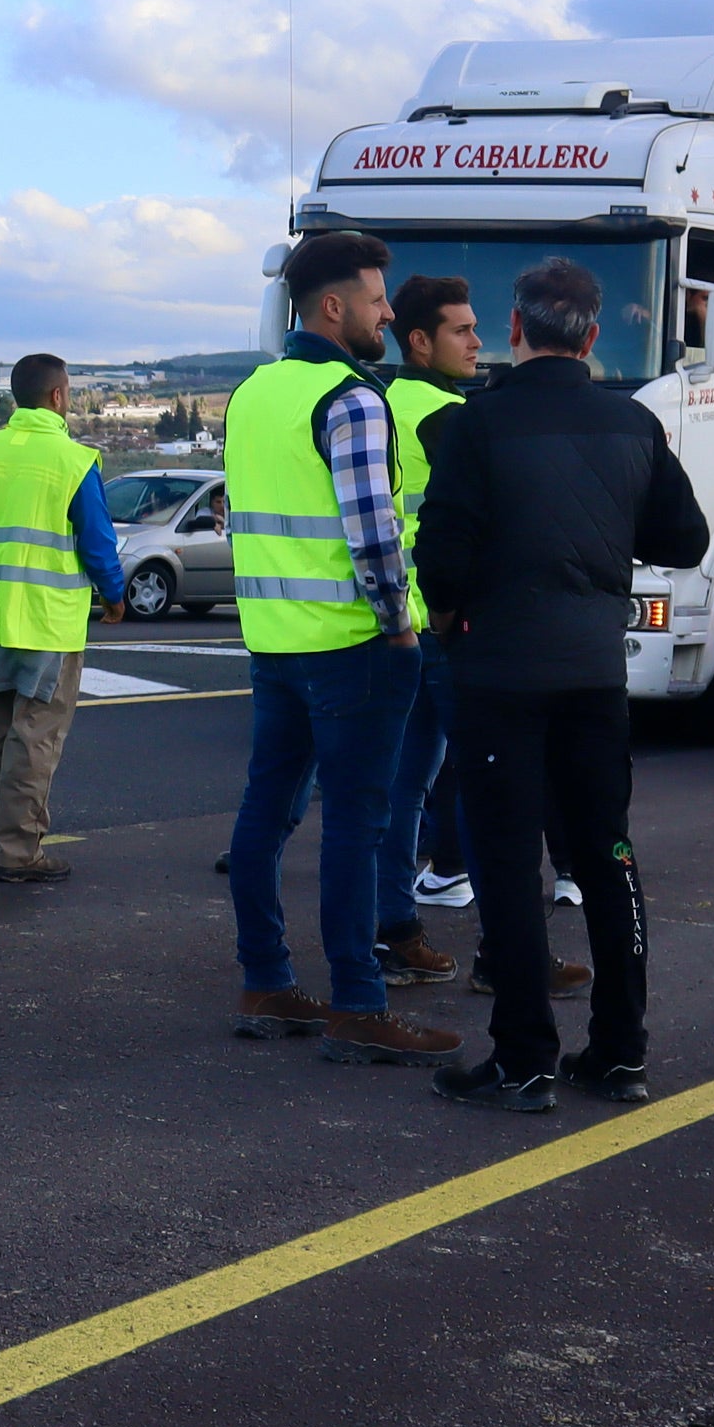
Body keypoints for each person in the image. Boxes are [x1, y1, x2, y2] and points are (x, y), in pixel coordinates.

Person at [413, 257, 709, 1112]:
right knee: (607, 854)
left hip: (501, 671)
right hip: (592, 672)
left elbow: (442, 555)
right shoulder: (632, 426)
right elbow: (685, 538)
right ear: (591, 335)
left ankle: (524, 1059)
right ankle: (621, 1052)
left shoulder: (477, 424)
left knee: (507, 866)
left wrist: (453, 610)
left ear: (515, 328)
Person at [221, 232, 444, 1055]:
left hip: (273, 641)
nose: (390, 311)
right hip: (353, 647)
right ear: (333, 306)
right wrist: (400, 624)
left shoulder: (252, 395)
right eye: (378, 298)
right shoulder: (352, 397)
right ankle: (358, 1001)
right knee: (359, 821)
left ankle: (267, 982)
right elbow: (374, 534)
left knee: (266, 811)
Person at [0, 353, 126, 882]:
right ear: (57, 397)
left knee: (3, 734)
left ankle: (6, 836)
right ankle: (20, 852)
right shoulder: (73, 461)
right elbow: (97, 543)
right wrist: (113, 595)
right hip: (48, 624)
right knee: (36, 738)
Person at [381, 277, 477, 981]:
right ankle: (505, 953)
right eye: (462, 331)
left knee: (403, 787)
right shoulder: (445, 415)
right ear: (420, 341)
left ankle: (395, 928)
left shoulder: (380, 402)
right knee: (485, 776)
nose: (479, 343)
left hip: (394, 626)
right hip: (443, 621)